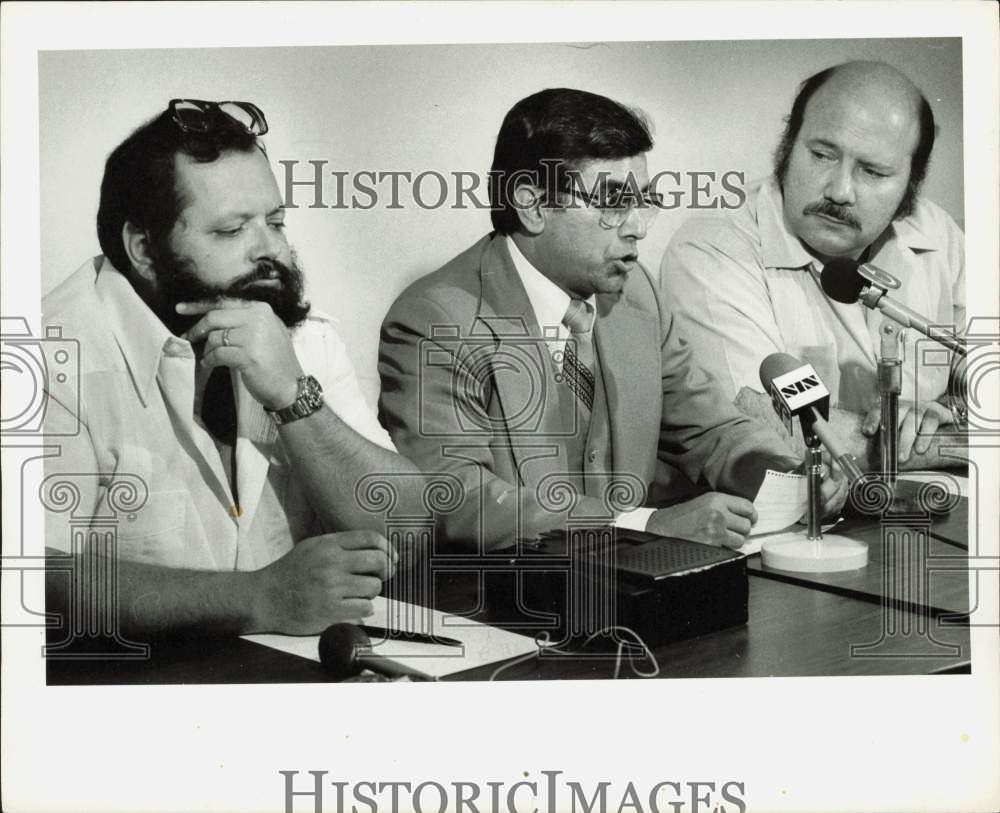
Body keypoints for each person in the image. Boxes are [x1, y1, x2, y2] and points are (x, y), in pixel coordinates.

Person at [378, 88, 843, 553]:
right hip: (501, 600)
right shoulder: (434, 320)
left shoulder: (636, 293)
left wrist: (785, 474)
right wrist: (643, 524)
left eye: (644, 202)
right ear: (533, 205)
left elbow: (712, 429)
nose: (638, 226)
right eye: (614, 203)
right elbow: (456, 499)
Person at [42, 99, 423, 636]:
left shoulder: (302, 337)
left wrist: (294, 395)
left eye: (275, 221)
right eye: (229, 231)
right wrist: (259, 597)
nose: (272, 252)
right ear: (144, 250)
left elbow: (408, 529)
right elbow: (30, 575)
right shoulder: (48, 361)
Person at [662, 61, 965, 469]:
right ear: (788, 147)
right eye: (822, 154)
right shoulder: (710, 249)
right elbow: (767, 428)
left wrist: (936, 417)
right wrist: (954, 445)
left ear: (911, 183)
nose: (840, 191)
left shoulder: (938, 234)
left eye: (873, 172)